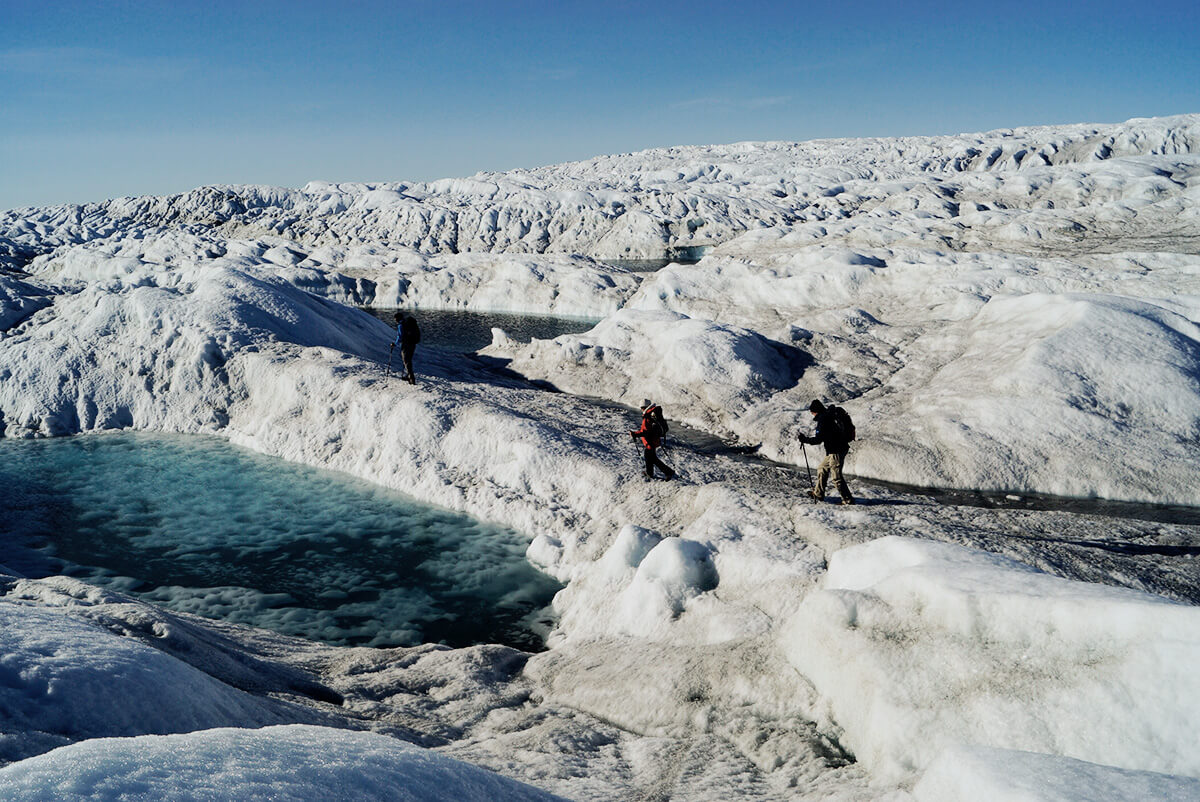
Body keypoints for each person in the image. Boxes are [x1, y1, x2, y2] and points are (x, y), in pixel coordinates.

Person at [797, 399, 854, 505]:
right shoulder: (829, 416)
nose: (812, 414)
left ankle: (847, 500)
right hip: (835, 450)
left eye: (812, 412)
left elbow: (818, 440)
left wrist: (805, 440)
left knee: (836, 477)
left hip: (836, 451)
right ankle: (818, 493)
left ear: (815, 411)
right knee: (822, 469)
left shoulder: (823, 419)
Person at [630, 399, 675, 481]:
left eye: (641, 408)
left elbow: (645, 431)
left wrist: (635, 434)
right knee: (650, 457)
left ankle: (667, 472)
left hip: (650, 441)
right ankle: (651, 473)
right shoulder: (653, 414)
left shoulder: (647, 416)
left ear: (643, 407)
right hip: (654, 439)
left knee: (650, 457)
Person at [391, 312, 421, 385]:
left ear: (397, 319)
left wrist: (395, 344)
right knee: (409, 360)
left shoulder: (401, 325)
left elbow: (400, 336)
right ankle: (408, 375)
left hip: (406, 344)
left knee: (406, 361)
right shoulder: (408, 323)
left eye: (395, 319)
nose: (395, 320)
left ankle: (411, 378)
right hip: (413, 344)